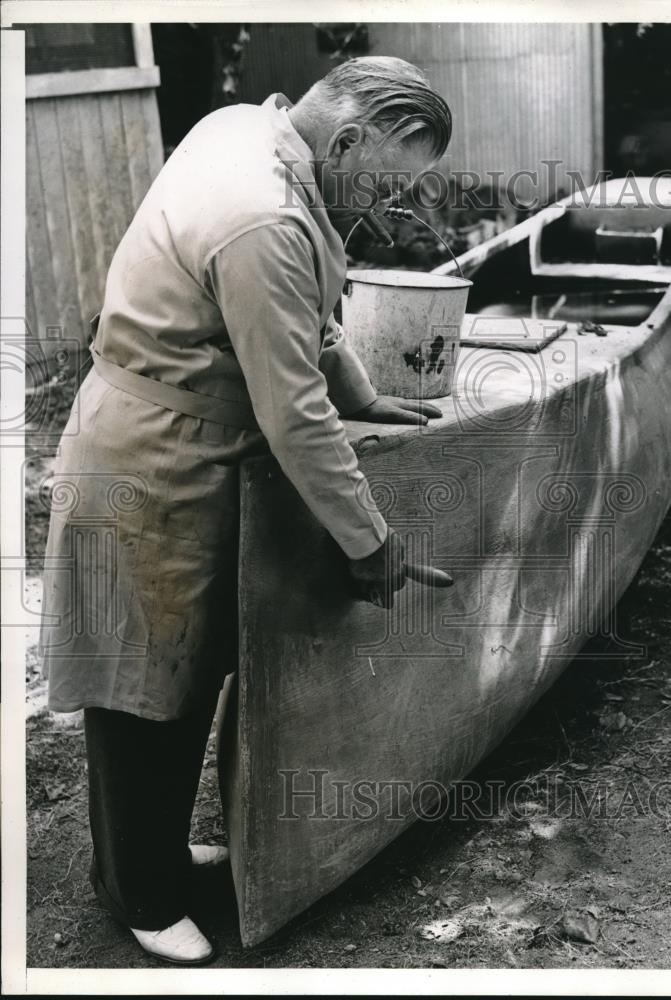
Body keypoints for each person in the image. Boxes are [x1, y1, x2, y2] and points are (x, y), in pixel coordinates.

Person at [39, 56, 452, 965]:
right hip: (158, 453)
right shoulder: (261, 211)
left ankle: (144, 851)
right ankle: (137, 893)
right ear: (346, 141)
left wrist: (366, 392)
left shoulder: (250, 130)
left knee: (185, 669)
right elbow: (294, 412)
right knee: (144, 680)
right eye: (393, 178)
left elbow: (306, 317)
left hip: (186, 432)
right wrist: (369, 541)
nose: (395, 203)